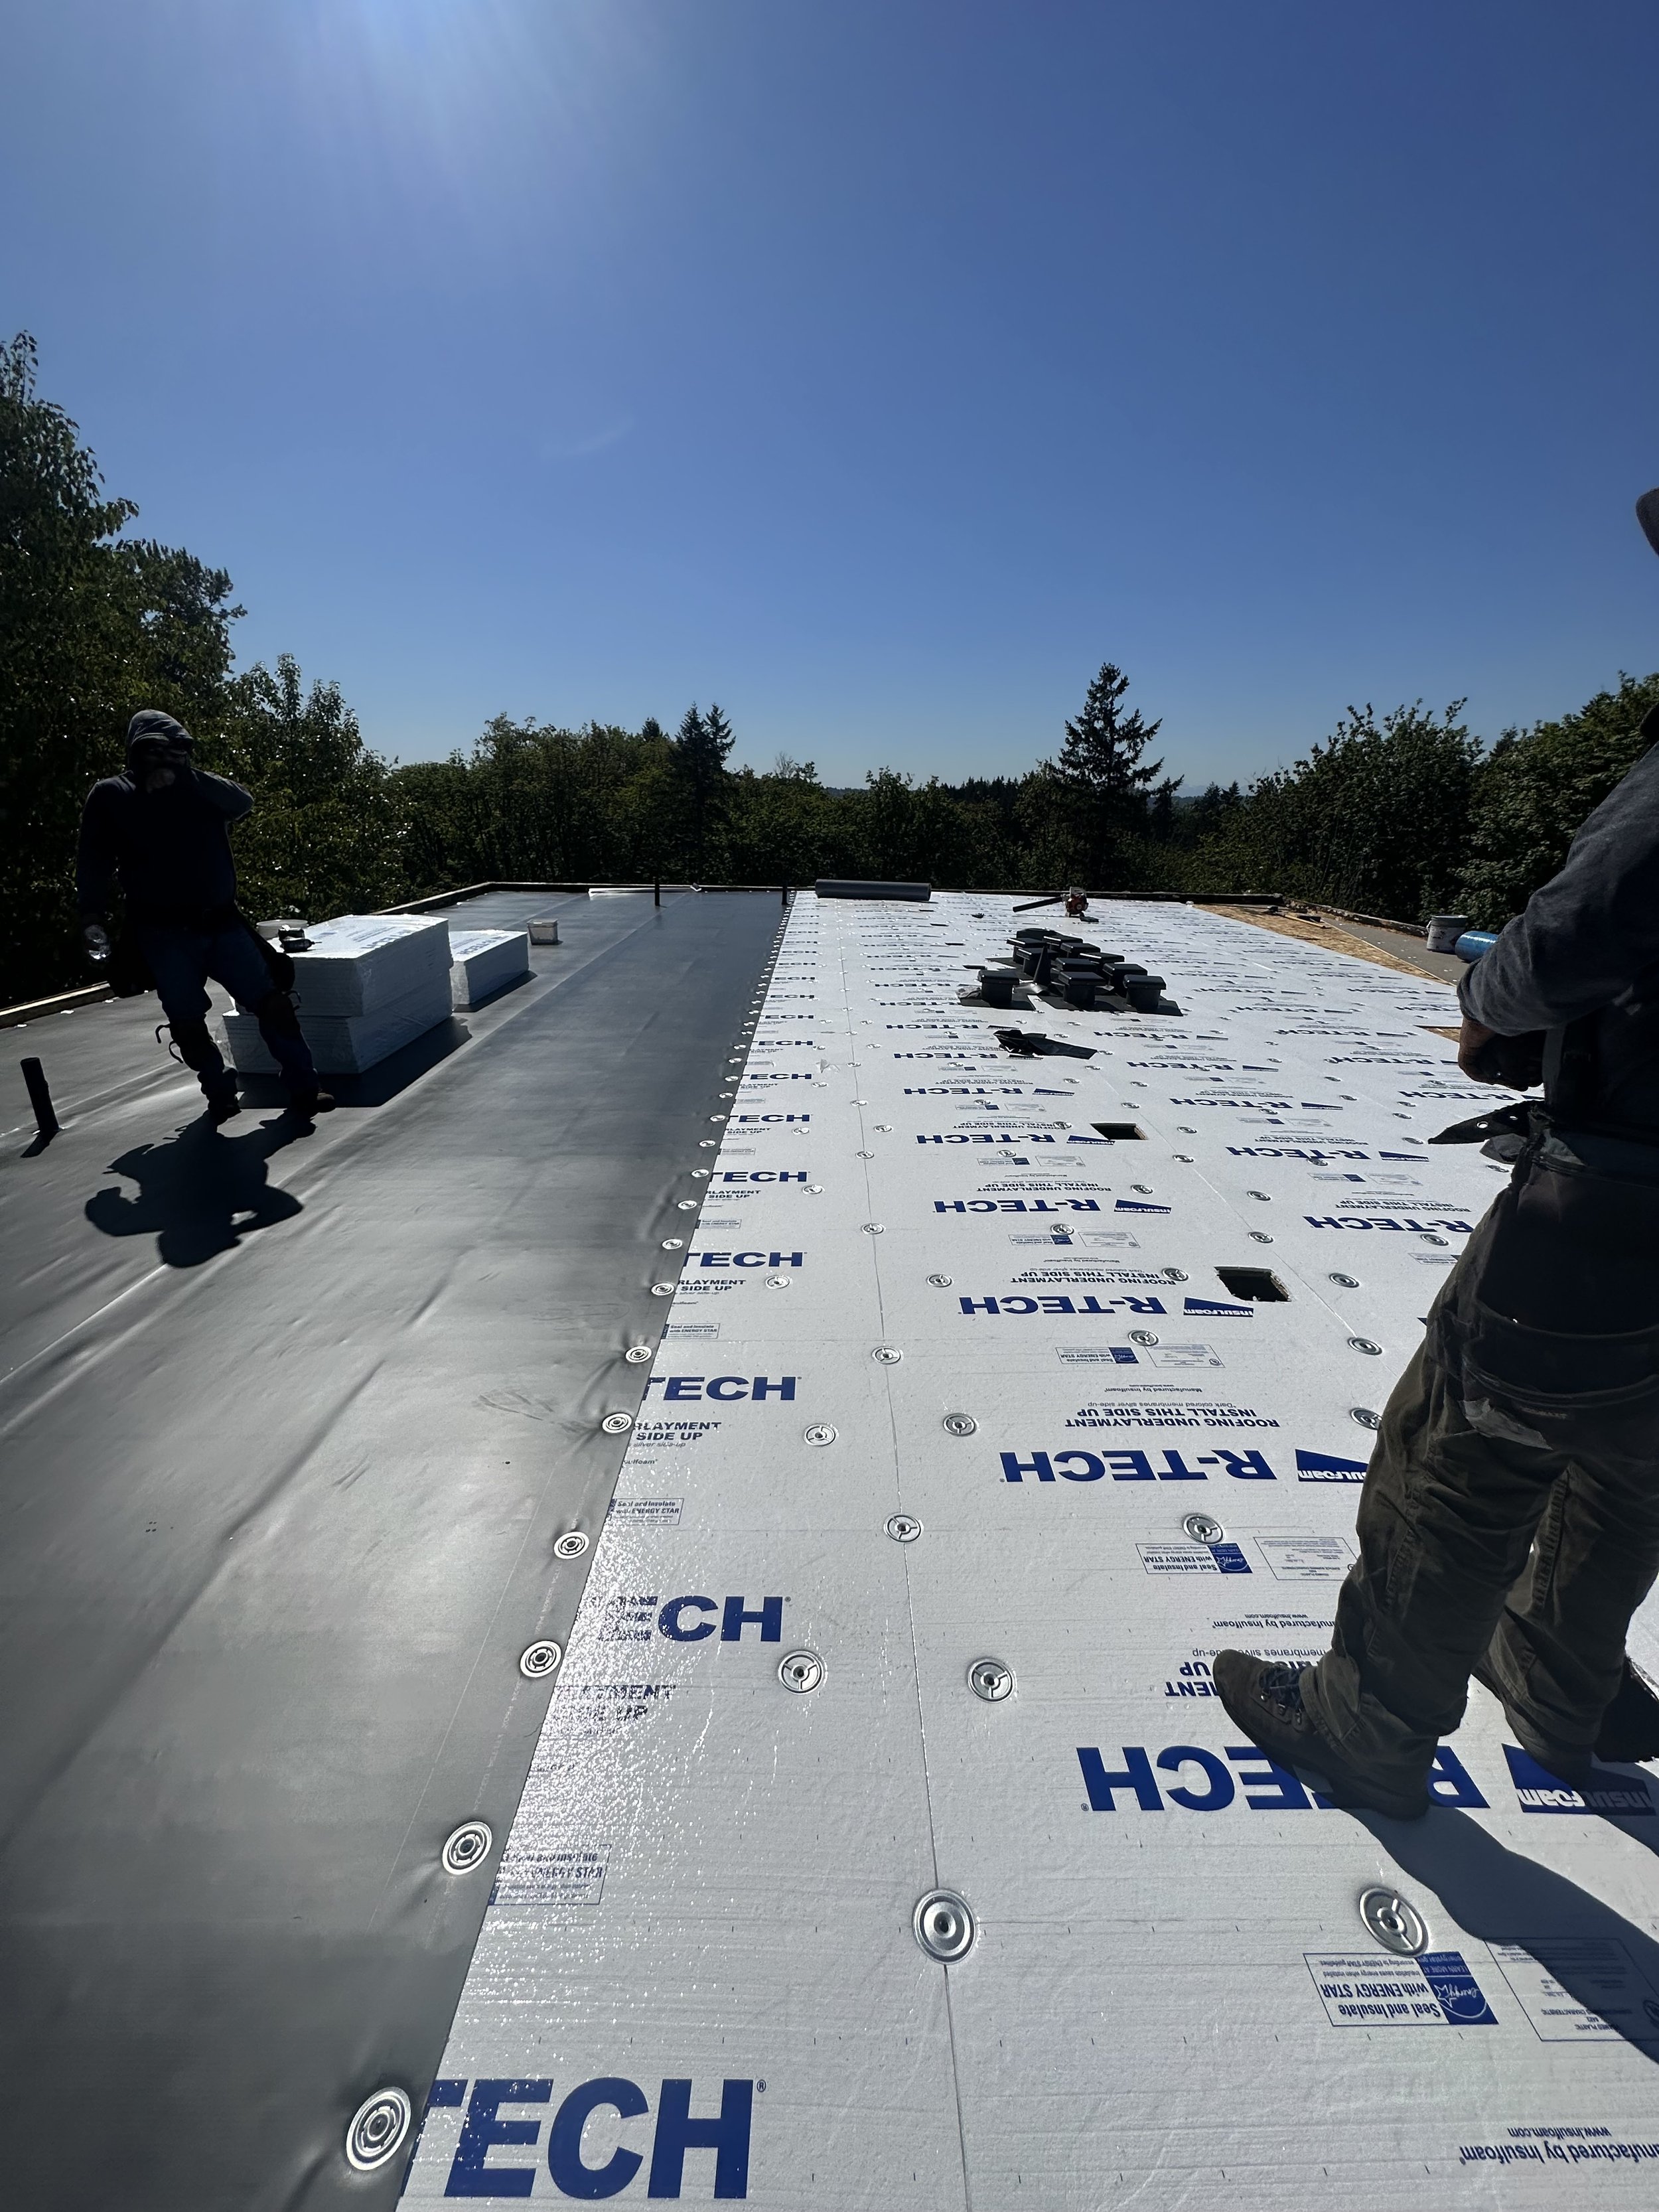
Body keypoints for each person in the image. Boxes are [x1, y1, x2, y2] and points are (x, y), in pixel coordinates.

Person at [1215, 494, 1659, 1819]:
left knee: (1457, 1451)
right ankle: (1559, 1682)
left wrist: (1491, 1004)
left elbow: (1578, 929)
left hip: (1618, 1197)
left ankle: (1366, 1727)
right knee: (1631, 1452)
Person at [77, 709, 334, 1125]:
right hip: (161, 932)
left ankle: (306, 1086)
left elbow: (243, 801)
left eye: (176, 750)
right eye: (155, 750)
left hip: (221, 922)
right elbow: (93, 862)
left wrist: (185, 778)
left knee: (273, 1004)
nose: (166, 759)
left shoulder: (199, 789)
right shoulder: (114, 794)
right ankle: (220, 1093)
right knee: (187, 1021)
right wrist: (91, 917)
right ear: (137, 752)